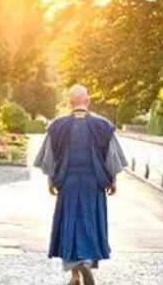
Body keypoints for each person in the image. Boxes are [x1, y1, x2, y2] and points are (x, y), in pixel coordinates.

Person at [34, 84, 127, 285]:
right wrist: (113, 181)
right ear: (88, 100)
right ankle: (85, 261)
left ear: (70, 102)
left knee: (70, 224)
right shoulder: (103, 126)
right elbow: (112, 159)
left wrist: (51, 182)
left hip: (68, 184)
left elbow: (49, 160)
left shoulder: (56, 126)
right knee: (89, 223)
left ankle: (75, 274)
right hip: (93, 185)